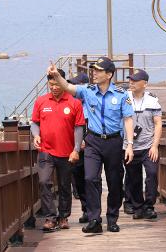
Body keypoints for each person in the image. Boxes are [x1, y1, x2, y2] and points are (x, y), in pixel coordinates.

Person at [47, 57, 134, 234]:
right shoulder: (88, 91)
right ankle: (94, 219)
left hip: (114, 141)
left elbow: (128, 120)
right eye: (93, 69)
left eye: (98, 70)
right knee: (90, 178)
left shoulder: (121, 94)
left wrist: (130, 144)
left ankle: (112, 218)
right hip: (93, 140)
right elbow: (69, 88)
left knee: (114, 181)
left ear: (109, 74)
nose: (94, 72)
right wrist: (57, 75)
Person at [31, 68, 86, 232]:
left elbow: (78, 128)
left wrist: (76, 149)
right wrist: (35, 135)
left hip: (66, 152)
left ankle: (63, 216)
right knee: (44, 182)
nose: (54, 87)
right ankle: (50, 217)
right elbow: (35, 122)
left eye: (57, 84)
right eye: (51, 84)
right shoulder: (41, 101)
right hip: (46, 150)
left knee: (64, 185)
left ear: (63, 83)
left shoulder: (74, 102)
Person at [123, 69, 162, 219]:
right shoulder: (124, 98)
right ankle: (138, 207)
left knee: (152, 174)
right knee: (133, 177)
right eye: (130, 79)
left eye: (135, 80)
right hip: (129, 146)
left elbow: (158, 124)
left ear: (144, 83)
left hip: (148, 146)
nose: (131, 82)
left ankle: (149, 205)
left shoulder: (152, 101)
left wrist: (155, 146)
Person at [67, 72, 90, 223]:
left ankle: (94, 210)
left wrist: (86, 140)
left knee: (92, 178)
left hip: (91, 147)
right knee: (79, 179)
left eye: (77, 85)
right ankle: (86, 209)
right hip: (75, 149)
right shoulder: (71, 103)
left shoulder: (91, 102)